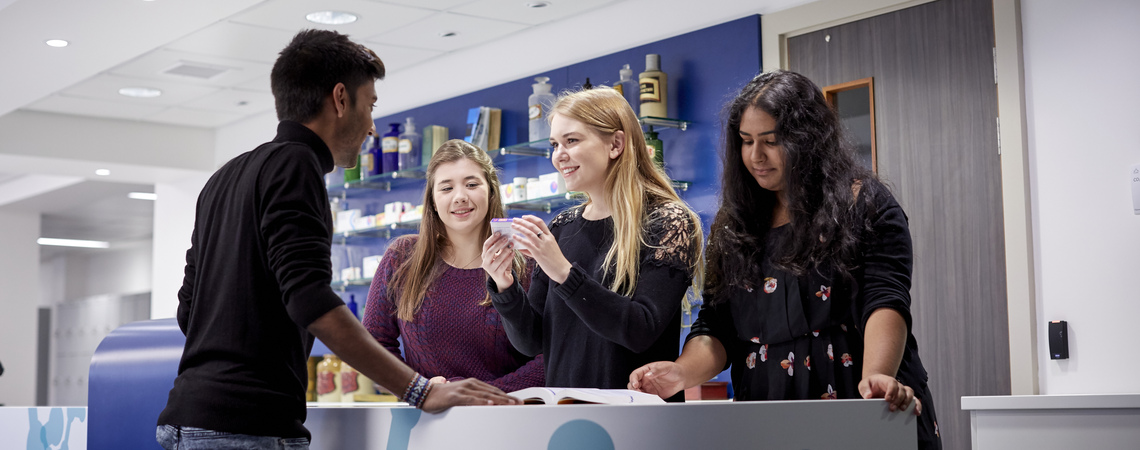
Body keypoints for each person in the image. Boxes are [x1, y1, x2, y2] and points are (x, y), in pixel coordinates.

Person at [156, 30, 516, 450]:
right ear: (341, 99)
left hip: (187, 420)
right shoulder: (297, 165)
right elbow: (310, 299)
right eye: (370, 105)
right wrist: (419, 390)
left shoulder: (225, 177)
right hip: (248, 428)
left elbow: (189, 311)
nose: (371, 126)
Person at [628, 70, 941, 449]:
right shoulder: (735, 222)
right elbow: (717, 326)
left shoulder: (865, 204)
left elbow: (885, 300)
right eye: (746, 142)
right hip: (768, 413)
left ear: (807, 140)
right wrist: (680, 372)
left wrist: (876, 375)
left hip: (856, 402)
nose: (755, 156)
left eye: (771, 141)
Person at [482, 88, 703, 402]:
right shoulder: (562, 226)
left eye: (571, 141)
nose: (559, 155)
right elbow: (530, 342)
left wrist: (563, 272)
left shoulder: (668, 221)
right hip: (567, 419)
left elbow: (640, 330)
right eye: (555, 144)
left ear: (615, 144)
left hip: (636, 422)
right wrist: (505, 286)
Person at [363, 139, 544, 392]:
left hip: (507, 418)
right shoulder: (402, 257)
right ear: (433, 201)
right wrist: (419, 389)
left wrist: (484, 395)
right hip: (427, 420)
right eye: (446, 188)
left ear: (491, 191)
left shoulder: (528, 265)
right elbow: (373, 346)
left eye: (471, 184)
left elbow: (552, 356)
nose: (460, 197)